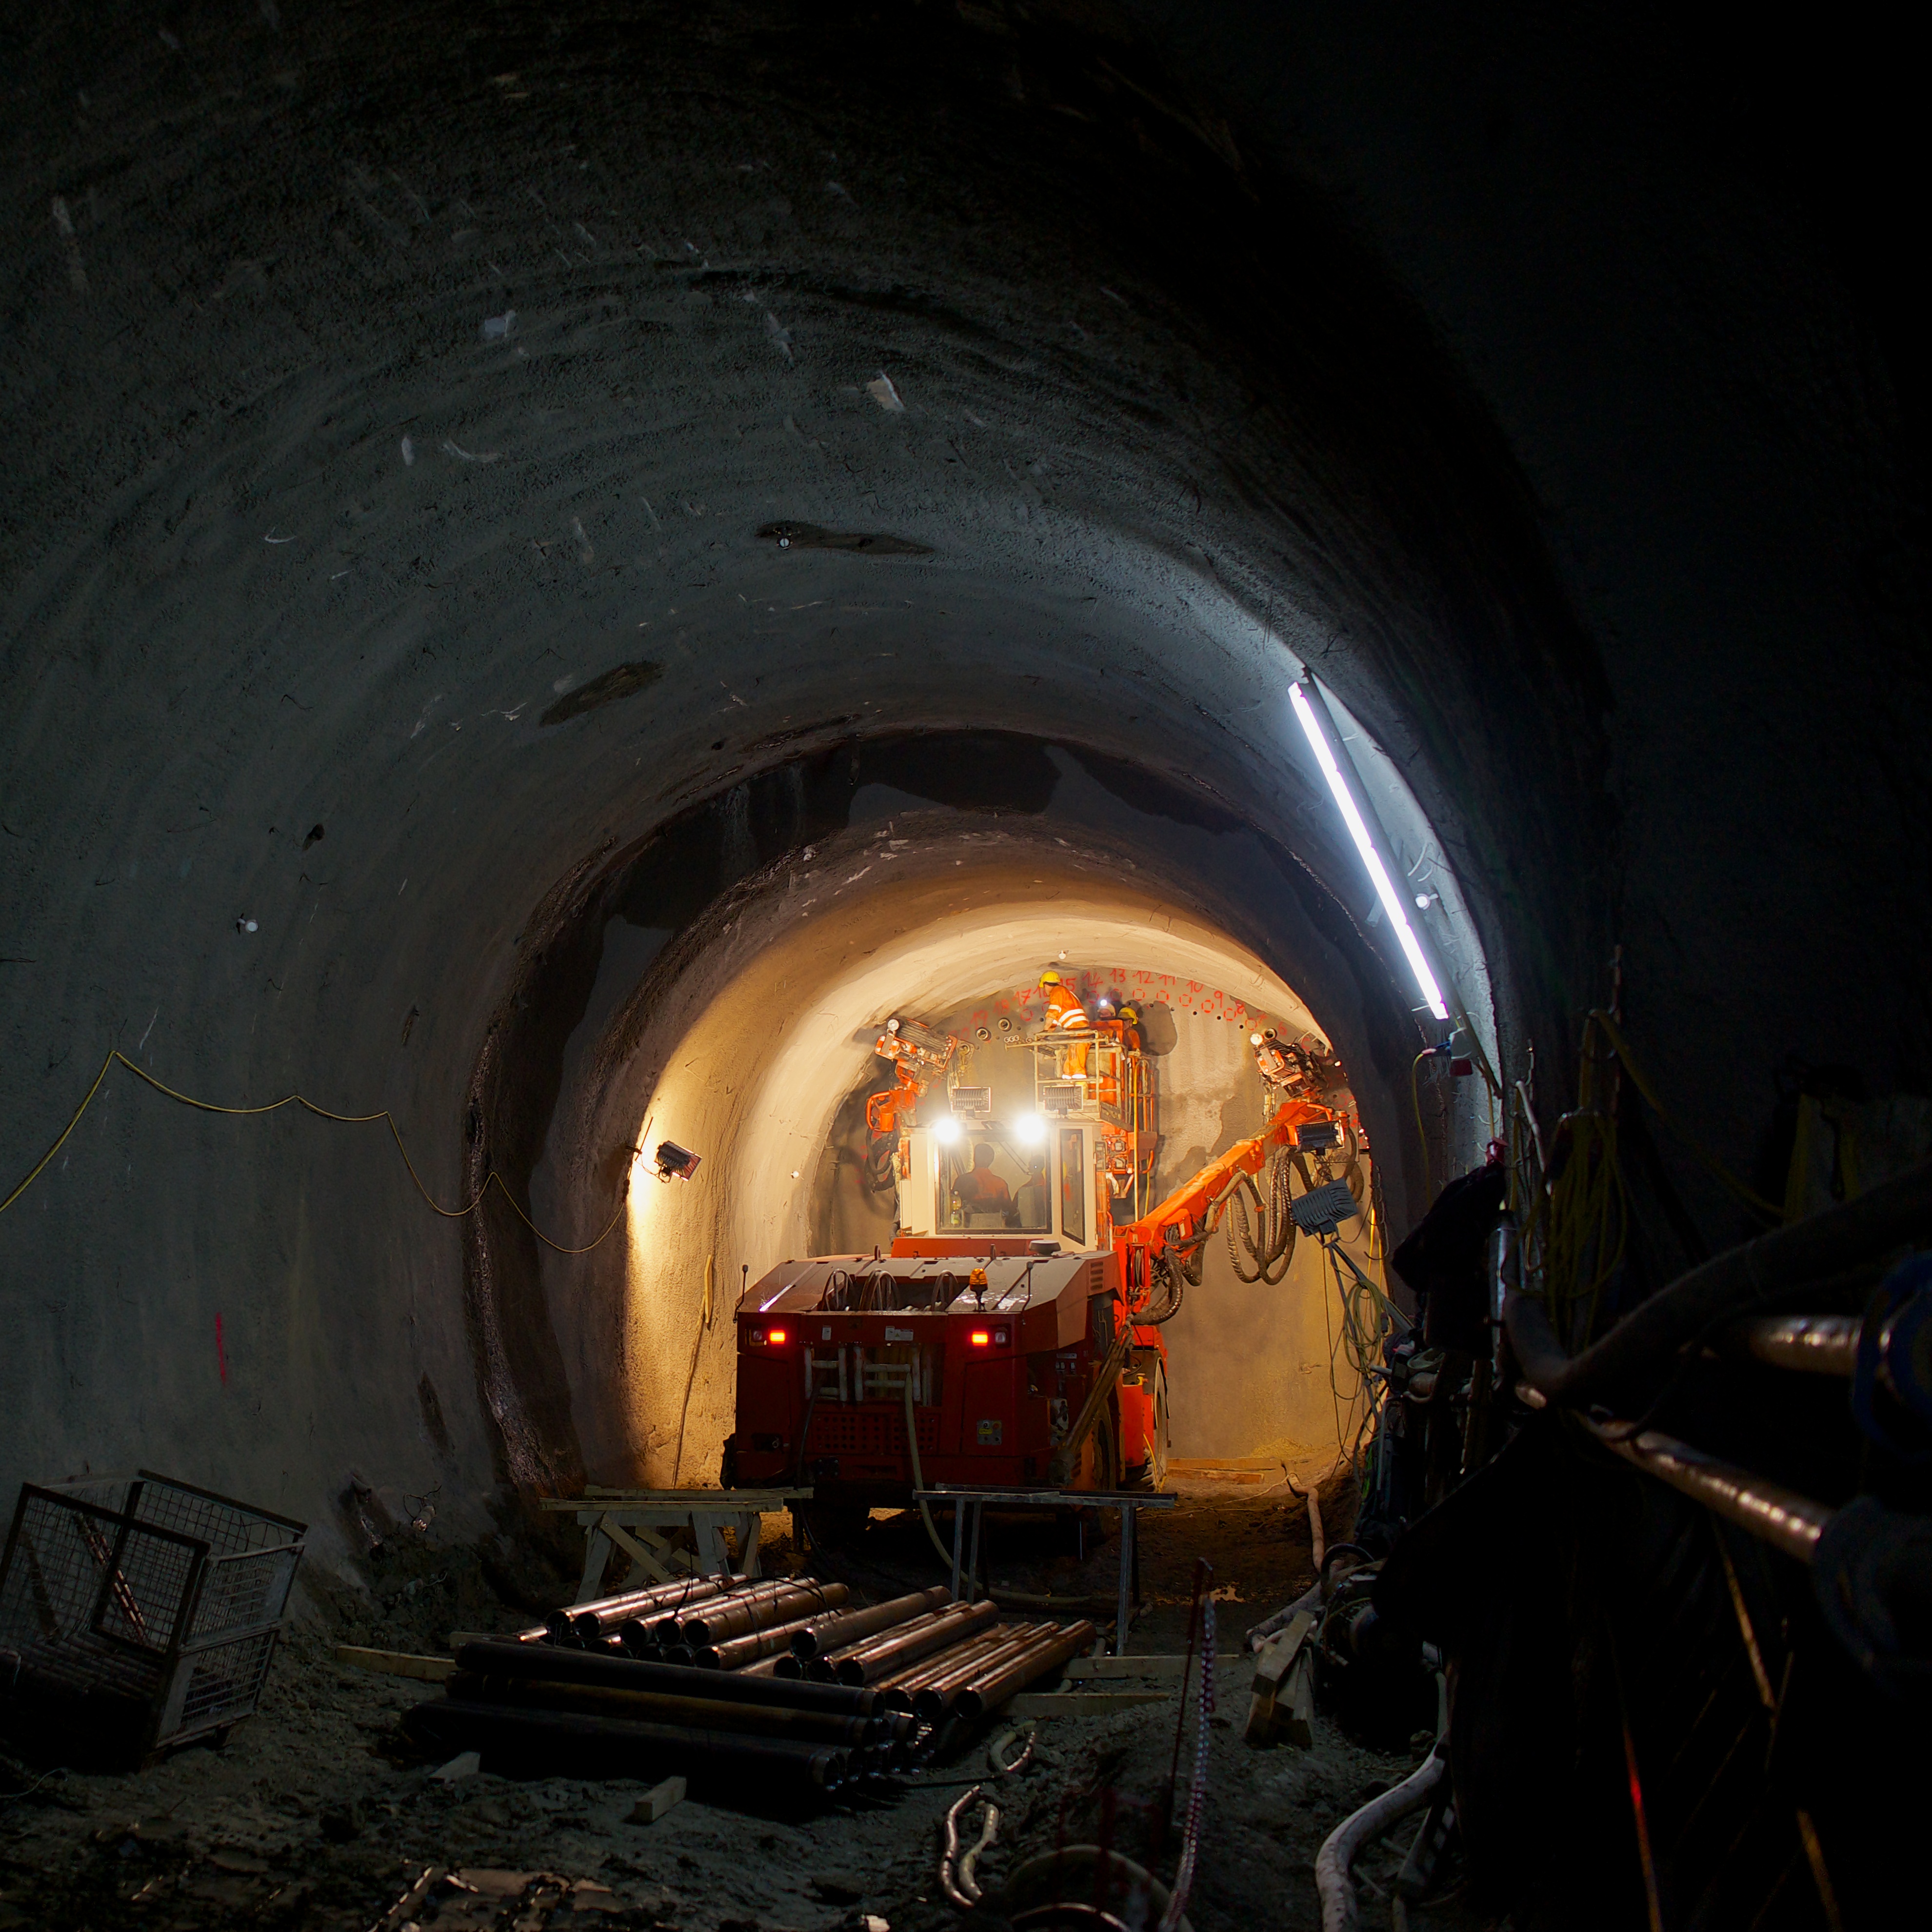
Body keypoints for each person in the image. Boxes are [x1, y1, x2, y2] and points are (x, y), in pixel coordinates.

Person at [953, 1141, 1012, 1214]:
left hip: (966, 1225)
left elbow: (953, 1206)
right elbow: (1009, 1211)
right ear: (991, 1160)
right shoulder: (1000, 1184)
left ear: (974, 1158)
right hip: (996, 1224)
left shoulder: (962, 1181)